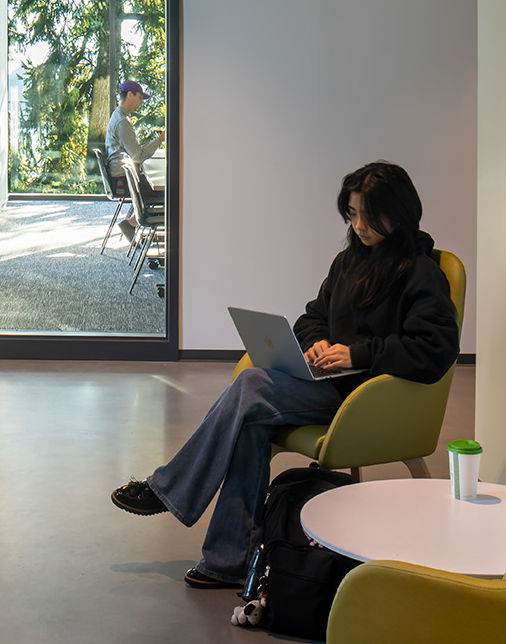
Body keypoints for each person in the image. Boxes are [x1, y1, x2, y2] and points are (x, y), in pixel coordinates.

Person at [109, 161, 459, 589]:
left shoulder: (421, 273)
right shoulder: (349, 261)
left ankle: (167, 488)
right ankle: (227, 561)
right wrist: (315, 342)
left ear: (399, 212)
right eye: (352, 215)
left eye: (368, 215)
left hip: (368, 399)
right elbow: (312, 316)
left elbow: (435, 349)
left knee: (252, 385)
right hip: (330, 386)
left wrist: (357, 354)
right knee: (251, 423)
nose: (359, 225)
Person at [105, 80, 165, 241]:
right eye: (139, 97)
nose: (141, 102)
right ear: (129, 95)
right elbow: (138, 156)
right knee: (170, 193)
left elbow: (135, 151)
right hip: (122, 179)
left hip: (120, 174)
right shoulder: (122, 122)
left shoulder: (119, 116)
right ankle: (142, 224)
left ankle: (134, 223)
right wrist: (161, 138)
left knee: (167, 191)